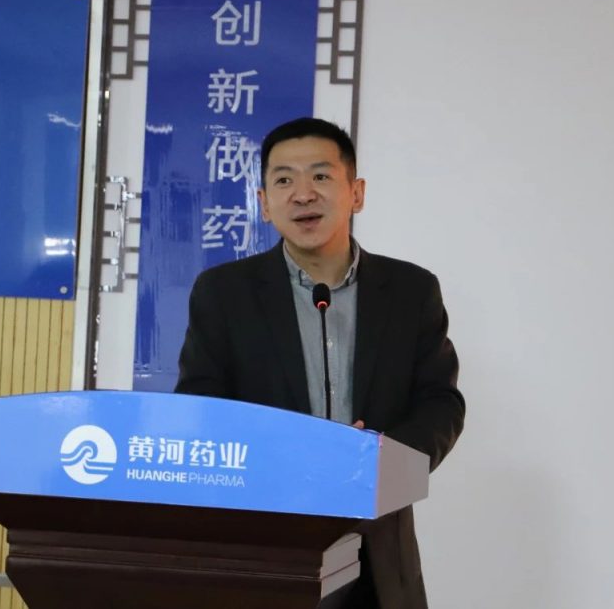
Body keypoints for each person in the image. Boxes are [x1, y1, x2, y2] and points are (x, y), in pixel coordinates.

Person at [175, 117, 465, 609]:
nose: (303, 194)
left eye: (321, 176)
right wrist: (284, 455)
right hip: (260, 546)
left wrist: (382, 462)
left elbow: (440, 402)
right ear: (264, 203)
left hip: (377, 551)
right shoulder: (223, 294)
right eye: (284, 180)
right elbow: (201, 409)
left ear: (357, 193)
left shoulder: (411, 291)